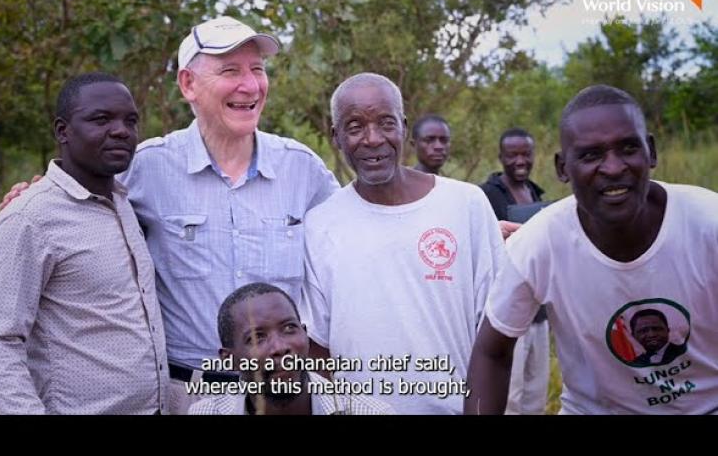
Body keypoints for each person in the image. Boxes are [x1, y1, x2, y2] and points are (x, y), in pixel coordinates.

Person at [0, 16, 340, 414]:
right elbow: (73, 197)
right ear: (188, 84)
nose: (249, 85)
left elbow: (352, 230)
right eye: (230, 70)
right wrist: (31, 197)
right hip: (186, 397)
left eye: (257, 70)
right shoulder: (145, 167)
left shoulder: (303, 169)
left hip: (284, 395)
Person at [466, 84, 718, 414]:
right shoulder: (540, 244)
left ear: (651, 152)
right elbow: (491, 352)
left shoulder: (708, 223)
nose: (613, 168)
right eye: (590, 155)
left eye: (628, 148)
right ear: (562, 168)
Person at [301, 72, 507, 414]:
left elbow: (495, 332)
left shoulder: (465, 204)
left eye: (386, 123)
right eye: (354, 127)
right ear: (335, 136)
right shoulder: (320, 224)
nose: (372, 139)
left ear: (404, 127)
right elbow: (318, 347)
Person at [0, 73, 168, 414]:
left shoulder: (123, 204)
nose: (121, 130)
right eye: (100, 119)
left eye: (130, 121)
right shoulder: (29, 218)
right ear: (63, 131)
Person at [189, 283, 394, 415]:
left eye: (289, 328)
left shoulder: (368, 411)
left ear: (305, 333)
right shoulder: (205, 412)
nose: (280, 347)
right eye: (256, 338)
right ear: (229, 359)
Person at [480, 127, 549, 415]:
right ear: (500, 157)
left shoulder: (535, 192)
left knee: (536, 393)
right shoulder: (486, 196)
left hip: (540, 311)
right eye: (512, 155)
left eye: (526, 154)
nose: (520, 161)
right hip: (507, 310)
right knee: (510, 394)